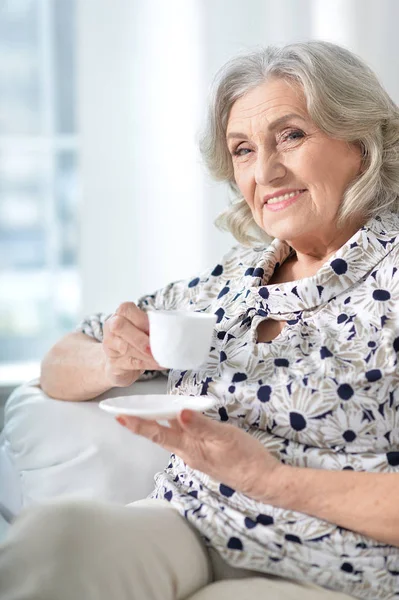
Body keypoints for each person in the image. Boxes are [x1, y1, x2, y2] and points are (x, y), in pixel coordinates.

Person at [1, 40, 399, 600]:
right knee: (55, 538)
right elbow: (57, 362)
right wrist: (110, 360)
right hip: (188, 527)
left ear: (360, 142)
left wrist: (270, 481)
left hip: (339, 562)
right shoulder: (225, 284)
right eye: (242, 150)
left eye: (291, 135)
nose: (267, 170)